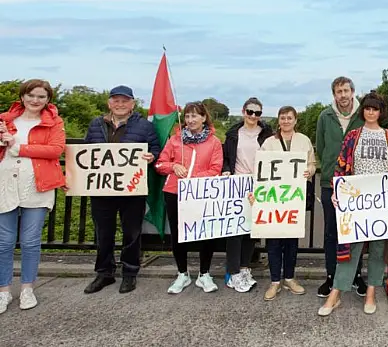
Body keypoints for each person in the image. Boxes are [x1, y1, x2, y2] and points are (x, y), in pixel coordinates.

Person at [318, 91, 388, 316]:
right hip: (357, 201)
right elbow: (340, 166)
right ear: (363, 110)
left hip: (382, 202)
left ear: (380, 112)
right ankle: (335, 293)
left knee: (378, 249)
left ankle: (370, 293)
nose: (370, 112)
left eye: (374, 109)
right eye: (367, 108)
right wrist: (337, 191)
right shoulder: (353, 136)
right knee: (350, 248)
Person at [82, 85, 160, 295]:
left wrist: (152, 157)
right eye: (116, 100)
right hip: (102, 189)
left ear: (132, 104)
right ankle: (104, 273)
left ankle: (130, 273)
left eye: (124, 101)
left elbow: (156, 150)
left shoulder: (144, 126)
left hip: (132, 190)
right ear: (109, 103)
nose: (120, 104)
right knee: (103, 233)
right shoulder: (96, 124)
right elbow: (85, 152)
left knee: (132, 233)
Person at [0, 79, 65, 313]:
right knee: (3, 242)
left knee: (30, 241)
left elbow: (55, 150)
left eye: (41, 96)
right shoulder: (5, 120)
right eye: (31, 95)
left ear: (48, 100)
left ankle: (28, 288)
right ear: (23, 96)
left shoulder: (54, 122)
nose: (35, 100)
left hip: (39, 185)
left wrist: (18, 147)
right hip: (5, 185)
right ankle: (3, 291)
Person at [156, 102, 224, 294]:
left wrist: (194, 179)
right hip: (174, 192)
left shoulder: (214, 142)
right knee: (178, 235)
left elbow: (215, 169)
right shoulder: (175, 140)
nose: (190, 120)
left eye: (195, 116)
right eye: (187, 116)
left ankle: (204, 274)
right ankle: (182, 274)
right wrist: (173, 167)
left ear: (204, 118)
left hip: (201, 194)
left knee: (206, 234)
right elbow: (160, 164)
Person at [259, 106, 316, 301]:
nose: (286, 121)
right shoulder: (269, 142)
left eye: (289, 118)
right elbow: (262, 166)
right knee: (274, 241)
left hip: (295, 196)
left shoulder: (304, 140)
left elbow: (312, 163)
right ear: (278, 120)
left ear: (295, 120)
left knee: (292, 240)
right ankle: (275, 280)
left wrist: (309, 171)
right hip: (274, 198)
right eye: (282, 118)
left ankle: (290, 278)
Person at [315, 76, 365, 298]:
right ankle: (331, 276)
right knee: (331, 232)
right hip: (330, 182)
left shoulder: (365, 114)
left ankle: (355, 276)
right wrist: (329, 167)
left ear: (352, 92)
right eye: (338, 91)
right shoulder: (325, 116)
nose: (342, 95)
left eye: (346, 90)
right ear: (334, 94)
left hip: (357, 183)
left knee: (356, 231)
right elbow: (322, 146)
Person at [221, 97, 273, 293]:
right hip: (237, 183)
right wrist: (226, 170)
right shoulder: (233, 134)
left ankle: (244, 267)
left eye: (257, 113)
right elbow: (226, 157)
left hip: (258, 185)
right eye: (250, 112)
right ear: (244, 111)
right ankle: (232, 271)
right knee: (235, 230)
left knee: (252, 229)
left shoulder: (267, 134)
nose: (253, 116)